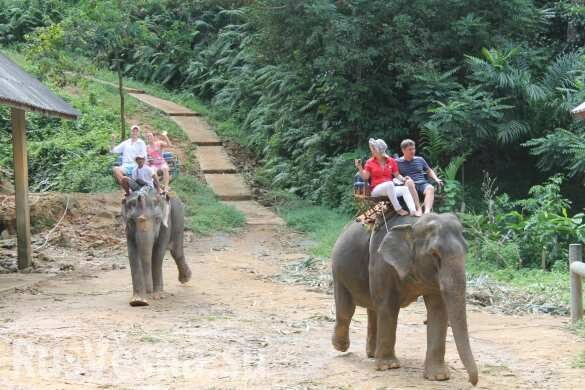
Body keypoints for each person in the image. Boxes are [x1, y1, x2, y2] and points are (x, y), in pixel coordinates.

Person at [355, 138, 420, 217]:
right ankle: (398, 209)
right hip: (376, 190)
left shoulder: (391, 161)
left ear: (380, 150)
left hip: (390, 189)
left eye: (374, 149)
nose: (372, 151)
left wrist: (403, 179)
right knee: (389, 184)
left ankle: (413, 211)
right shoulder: (369, 162)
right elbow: (365, 176)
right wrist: (359, 167)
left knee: (405, 189)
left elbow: (397, 175)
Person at [397, 139, 443, 214]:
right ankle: (418, 208)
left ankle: (427, 212)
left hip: (422, 183)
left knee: (430, 188)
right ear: (403, 150)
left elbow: (429, 170)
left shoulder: (420, 159)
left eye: (414, 149)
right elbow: (396, 175)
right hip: (409, 184)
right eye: (410, 149)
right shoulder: (397, 162)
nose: (413, 151)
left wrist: (436, 179)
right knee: (409, 182)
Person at [112, 125, 147, 192]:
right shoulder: (126, 142)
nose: (134, 132)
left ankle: (131, 189)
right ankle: (127, 190)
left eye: (136, 131)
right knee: (115, 169)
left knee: (138, 175)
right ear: (131, 132)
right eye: (133, 131)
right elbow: (114, 150)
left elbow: (144, 155)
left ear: (138, 133)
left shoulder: (141, 143)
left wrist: (142, 165)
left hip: (136, 165)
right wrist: (113, 140)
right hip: (125, 166)